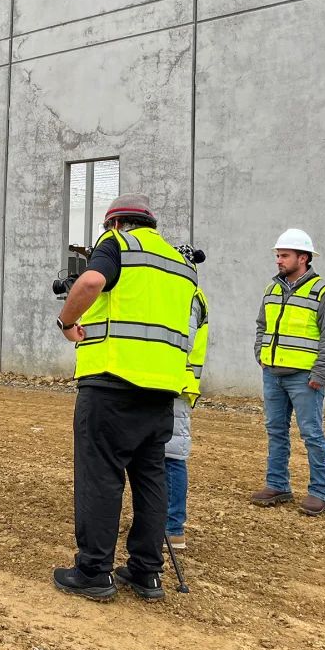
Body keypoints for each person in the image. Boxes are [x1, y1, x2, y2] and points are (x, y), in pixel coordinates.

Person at [51, 194, 199, 603]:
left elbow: (92, 281)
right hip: (162, 388)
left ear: (114, 224)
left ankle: (94, 571)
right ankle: (146, 572)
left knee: (101, 476)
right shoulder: (181, 265)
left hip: (111, 381)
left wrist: (66, 321)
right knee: (151, 479)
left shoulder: (119, 245)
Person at [250, 228, 325, 517]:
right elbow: (261, 326)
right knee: (275, 431)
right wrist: (261, 355)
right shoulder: (272, 289)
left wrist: (320, 374)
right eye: (278, 255)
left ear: (302, 258)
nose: (278, 260)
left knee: (311, 434)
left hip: (305, 378)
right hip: (273, 374)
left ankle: (319, 491)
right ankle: (277, 485)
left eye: (284, 255)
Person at [165, 281, 208, 550]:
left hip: (176, 383)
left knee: (171, 456)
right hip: (169, 382)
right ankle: (162, 522)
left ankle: (172, 527)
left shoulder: (187, 294)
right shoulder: (185, 292)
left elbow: (183, 340)